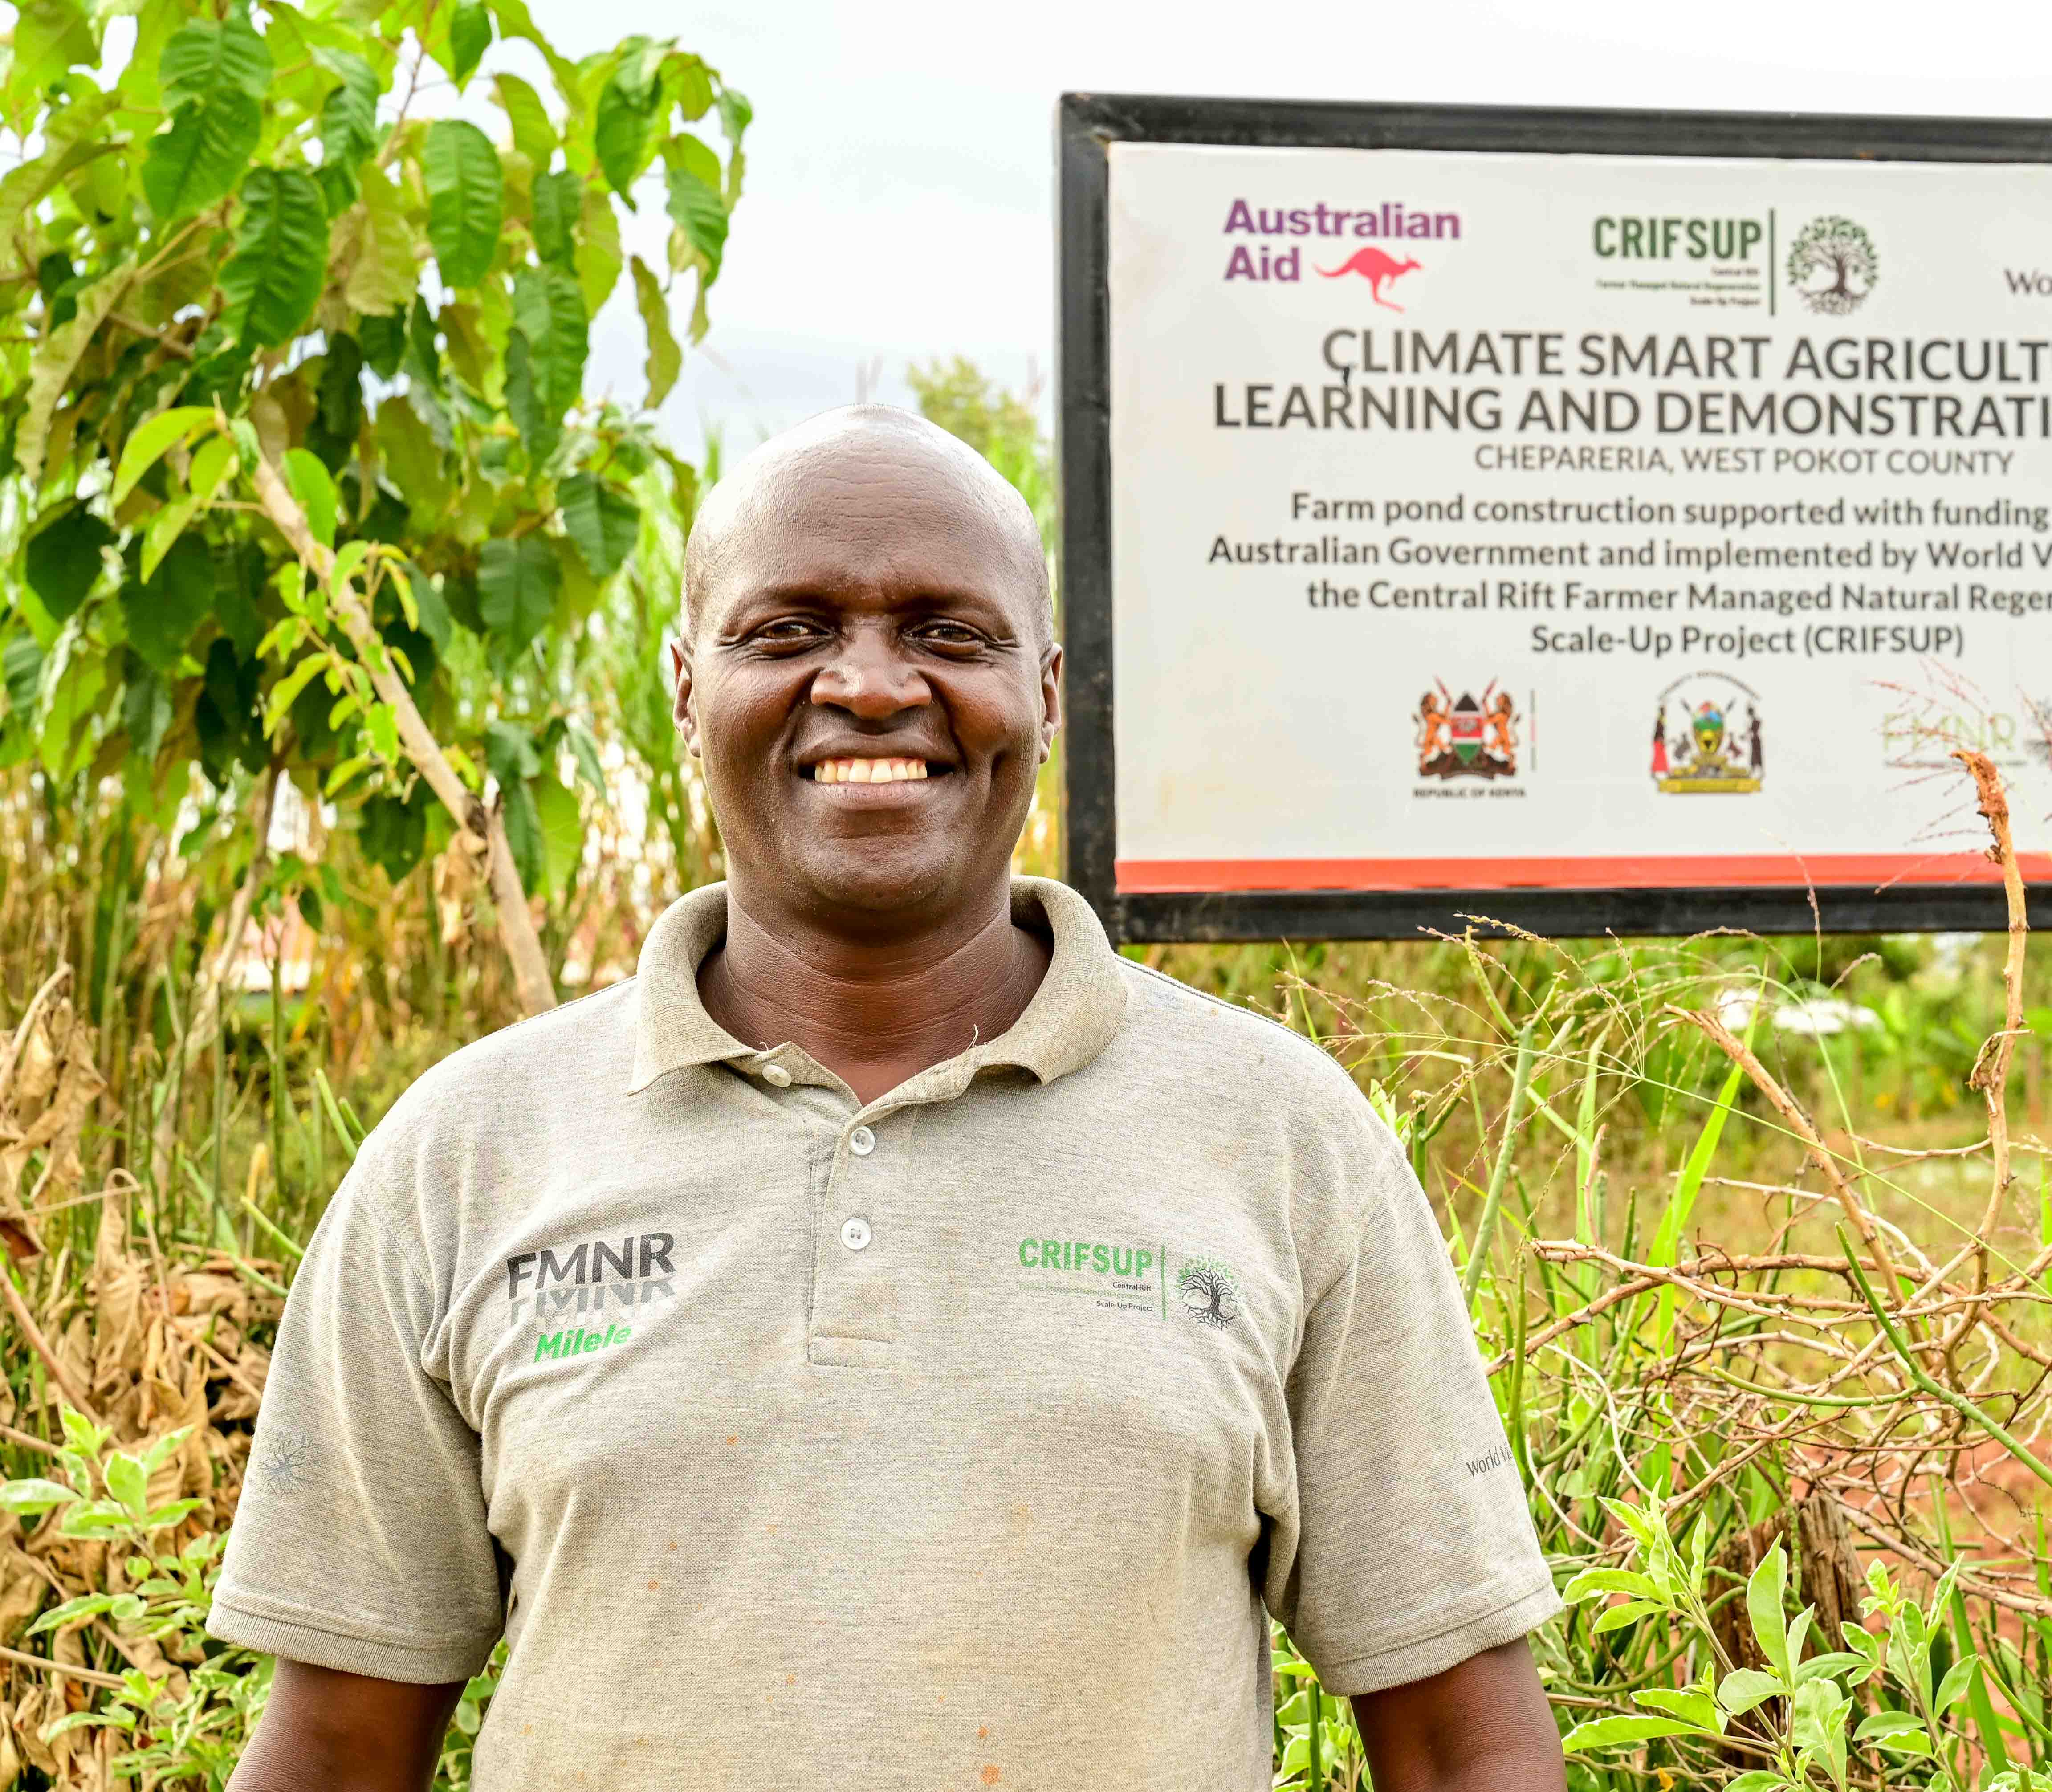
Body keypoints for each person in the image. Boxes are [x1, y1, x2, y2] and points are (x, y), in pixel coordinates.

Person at [211, 408, 1566, 1791]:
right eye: (787, 630)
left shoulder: (1277, 1135)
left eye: (948, 633)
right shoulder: (469, 1152)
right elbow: (334, 1751)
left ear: (1046, 691)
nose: (868, 685)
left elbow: (1466, 1743)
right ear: (685, 688)